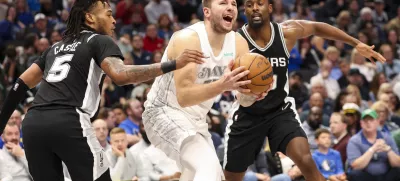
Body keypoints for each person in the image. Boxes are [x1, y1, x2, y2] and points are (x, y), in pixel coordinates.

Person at [0, 0, 205, 180]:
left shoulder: (54, 48)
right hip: (69, 120)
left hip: (33, 124)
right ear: (89, 17)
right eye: (108, 14)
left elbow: (19, 84)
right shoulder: (99, 41)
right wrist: (171, 64)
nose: (114, 20)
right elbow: (121, 75)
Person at [224, 0, 386, 181]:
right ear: (243, 10)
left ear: (270, 8)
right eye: (249, 4)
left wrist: (355, 43)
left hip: (279, 111)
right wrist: (242, 92)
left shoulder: (286, 32)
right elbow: (227, 78)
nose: (254, 8)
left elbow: (317, 27)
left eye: (260, 3)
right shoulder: (236, 41)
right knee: (232, 177)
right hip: (248, 113)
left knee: (306, 160)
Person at [142, 0, 261, 180]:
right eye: (222, 3)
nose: (230, 7)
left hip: (197, 120)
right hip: (163, 112)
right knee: (208, 166)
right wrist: (222, 85)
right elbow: (184, 97)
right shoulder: (189, 39)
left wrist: (253, 95)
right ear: (207, 12)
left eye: (234, 4)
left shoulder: (239, 44)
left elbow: (241, 97)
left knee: (203, 174)